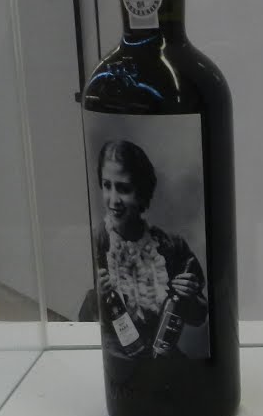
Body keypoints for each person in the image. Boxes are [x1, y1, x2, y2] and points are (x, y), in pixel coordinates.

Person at [84, 139, 208, 358]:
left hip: (163, 359)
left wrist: (189, 297)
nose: (113, 200)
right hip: (115, 365)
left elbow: (198, 318)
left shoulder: (171, 246)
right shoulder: (96, 243)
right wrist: (99, 299)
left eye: (123, 188)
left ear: (141, 192)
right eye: (107, 185)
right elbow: (80, 324)